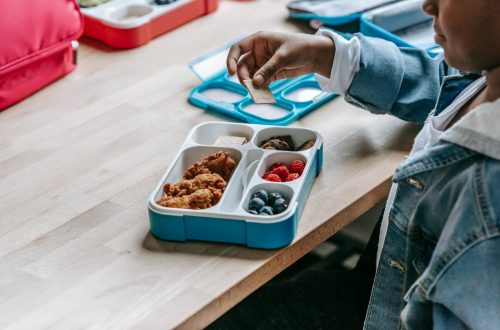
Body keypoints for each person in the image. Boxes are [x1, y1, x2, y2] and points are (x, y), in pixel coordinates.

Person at [215, 0, 500, 328]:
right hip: (376, 290)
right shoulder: (483, 74)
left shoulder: (488, 198)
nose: (427, 5)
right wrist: (323, 55)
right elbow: (442, 80)